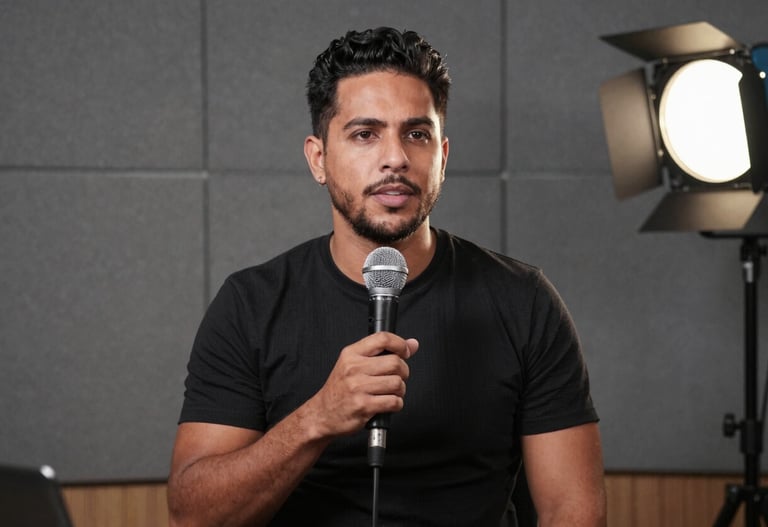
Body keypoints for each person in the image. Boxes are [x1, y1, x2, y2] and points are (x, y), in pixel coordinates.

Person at [167, 27, 607, 527]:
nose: (395, 157)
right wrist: (320, 418)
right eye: (365, 134)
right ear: (319, 158)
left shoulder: (524, 301)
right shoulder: (250, 305)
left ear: (441, 156)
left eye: (417, 134)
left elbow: (572, 513)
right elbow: (194, 516)